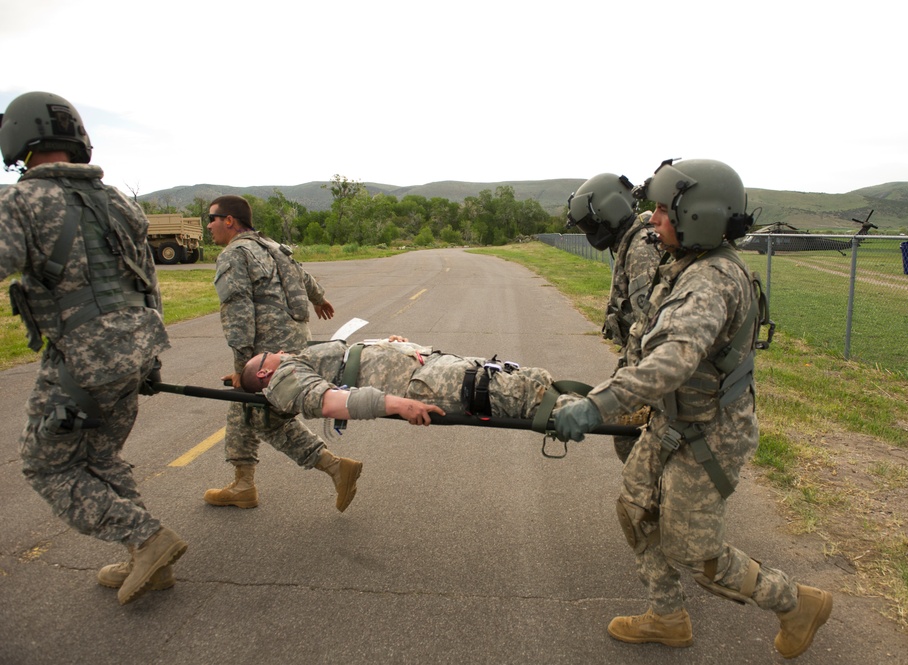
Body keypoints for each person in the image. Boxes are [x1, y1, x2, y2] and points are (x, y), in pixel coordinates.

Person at [553, 159, 832, 659]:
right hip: (673, 421)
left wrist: (599, 405)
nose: (653, 219)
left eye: (663, 209)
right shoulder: (685, 264)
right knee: (635, 511)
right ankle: (666, 617)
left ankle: (795, 603)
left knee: (699, 556)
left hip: (710, 434)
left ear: (698, 216)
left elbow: (671, 363)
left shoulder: (711, 281)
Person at [0, 91, 186, 605]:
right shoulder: (121, 203)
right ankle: (148, 562)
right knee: (102, 457)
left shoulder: (21, 202)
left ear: (18, 139)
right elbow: (148, 284)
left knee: (47, 465)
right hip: (137, 351)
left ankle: (146, 540)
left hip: (79, 363)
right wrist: (149, 357)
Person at [204, 194, 368, 512]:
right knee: (244, 409)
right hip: (295, 348)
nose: (208, 226)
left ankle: (336, 468)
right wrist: (319, 299)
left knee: (268, 420)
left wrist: (241, 369)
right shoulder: (274, 247)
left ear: (229, 221)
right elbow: (303, 277)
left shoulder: (234, 254)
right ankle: (243, 485)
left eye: (211, 218)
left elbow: (238, 315)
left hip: (265, 357)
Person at [566, 173, 664, 462]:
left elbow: (653, 328)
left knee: (631, 444)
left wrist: (630, 386)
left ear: (606, 213)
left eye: (589, 223)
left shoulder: (641, 250)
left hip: (651, 369)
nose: (590, 232)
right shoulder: (631, 242)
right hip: (642, 365)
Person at [238, 338, 558, 422]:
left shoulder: (298, 361)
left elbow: (353, 358)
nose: (278, 351)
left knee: (536, 380)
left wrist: (391, 345)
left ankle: (602, 402)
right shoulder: (283, 379)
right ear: (265, 372)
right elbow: (329, 402)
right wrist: (397, 405)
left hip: (432, 365)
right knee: (532, 399)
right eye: (270, 354)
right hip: (425, 383)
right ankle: (605, 407)